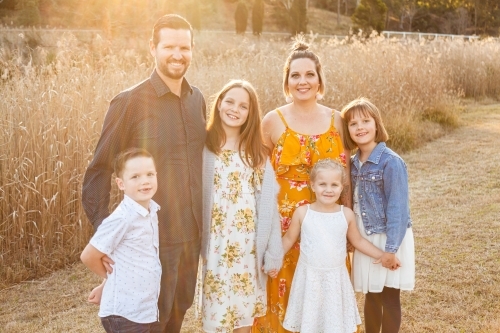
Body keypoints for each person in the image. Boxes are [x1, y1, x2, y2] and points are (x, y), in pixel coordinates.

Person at [81, 14, 206, 333]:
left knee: (178, 312)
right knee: (150, 320)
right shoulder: (129, 102)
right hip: (151, 240)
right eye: (169, 47)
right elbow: (98, 171)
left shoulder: (198, 100)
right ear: (153, 48)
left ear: (192, 49)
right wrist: (107, 234)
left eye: (184, 47)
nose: (177, 55)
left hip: (191, 236)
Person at [253, 39, 352, 332]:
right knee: (284, 290)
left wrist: (349, 224)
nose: (303, 81)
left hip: (327, 225)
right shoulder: (273, 120)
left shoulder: (338, 120)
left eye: (309, 74)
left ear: (320, 79)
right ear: (287, 80)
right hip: (282, 226)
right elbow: (255, 175)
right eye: (295, 75)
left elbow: (348, 173)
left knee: (324, 293)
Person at [201, 80, 284, 332]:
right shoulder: (204, 148)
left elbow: (269, 205)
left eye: (243, 106)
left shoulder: (255, 153)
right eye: (229, 101)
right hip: (215, 246)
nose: (234, 109)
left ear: (251, 113)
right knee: (215, 318)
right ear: (219, 104)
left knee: (243, 320)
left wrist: (272, 251)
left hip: (246, 247)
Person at [281, 159, 398, 333]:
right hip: (309, 277)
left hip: (335, 280)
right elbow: (288, 239)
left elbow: (358, 241)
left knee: (333, 323)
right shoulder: (303, 213)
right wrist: (271, 259)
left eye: (334, 185)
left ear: (342, 187)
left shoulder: (346, 214)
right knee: (310, 321)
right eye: (322, 184)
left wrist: (381, 255)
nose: (328, 190)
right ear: (312, 185)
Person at [341, 98, 415, 333]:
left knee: (390, 296)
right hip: (364, 238)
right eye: (353, 124)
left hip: (388, 236)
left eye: (366, 121)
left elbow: (398, 210)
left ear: (376, 124)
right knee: (371, 295)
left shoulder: (390, 162)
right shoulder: (351, 164)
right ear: (348, 130)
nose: (360, 127)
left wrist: (391, 249)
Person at [81, 148, 161, 333]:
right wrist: (110, 280)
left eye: (150, 174)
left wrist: (105, 285)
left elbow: (125, 259)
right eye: (135, 177)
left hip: (144, 310)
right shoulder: (122, 218)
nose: (145, 181)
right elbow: (88, 256)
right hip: (125, 315)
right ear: (121, 183)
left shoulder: (151, 211)